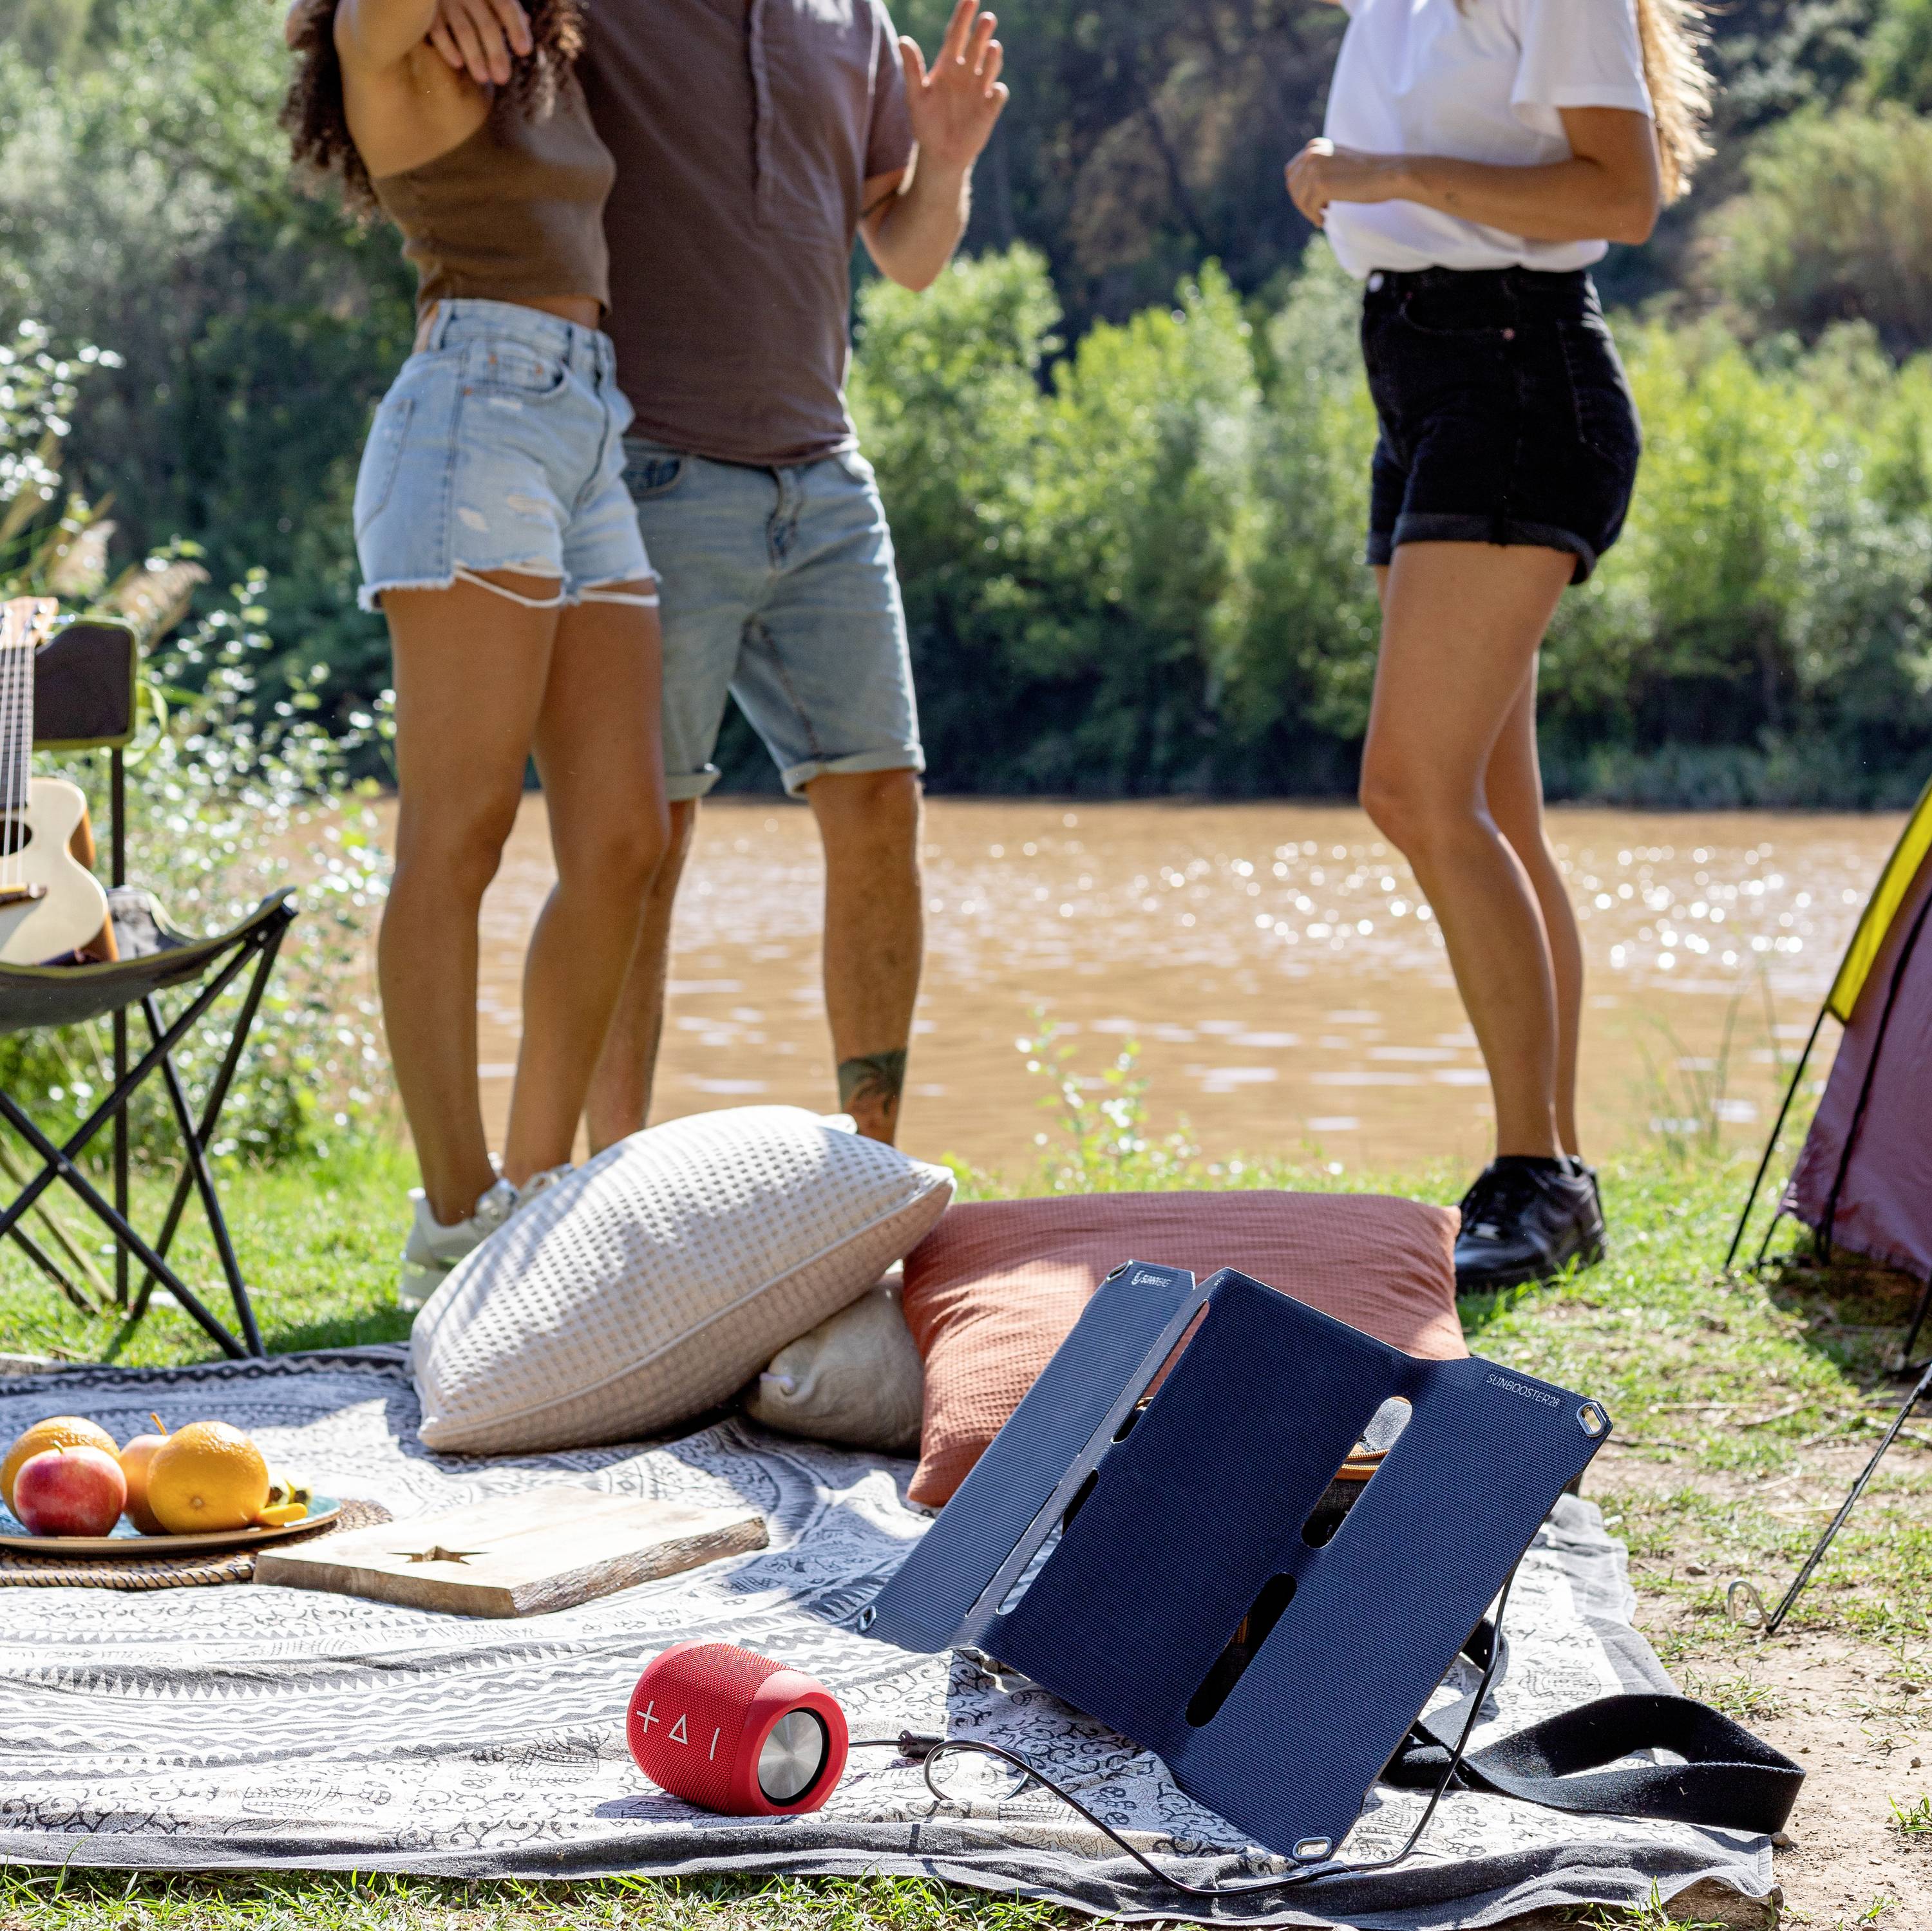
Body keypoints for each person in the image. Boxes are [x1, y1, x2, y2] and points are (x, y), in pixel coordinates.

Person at [426, 0, 1010, 1149]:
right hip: (646, 469)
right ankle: (608, 1182)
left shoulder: (853, 21)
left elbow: (911, 255)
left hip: (826, 478)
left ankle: (870, 1171)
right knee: (639, 838)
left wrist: (943, 163)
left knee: (883, 800)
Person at [1285, 0, 1712, 1290]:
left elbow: (1622, 194)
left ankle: (1537, 1174)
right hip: (1417, 373)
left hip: (1517, 375)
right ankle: (1558, 1165)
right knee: (1494, 814)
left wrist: (1385, 175)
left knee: (1412, 791)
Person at [283, 0, 669, 1306]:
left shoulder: (537, 45)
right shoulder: (387, 38)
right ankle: (454, 1219)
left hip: (586, 425)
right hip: (475, 419)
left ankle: (532, 1191)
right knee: (461, 831)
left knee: (623, 839)